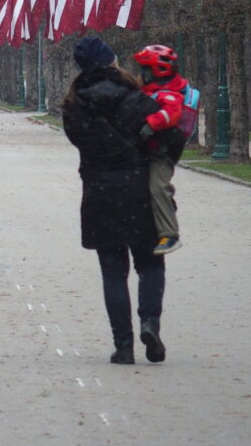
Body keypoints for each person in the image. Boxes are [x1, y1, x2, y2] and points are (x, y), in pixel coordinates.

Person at [61, 36, 167, 365]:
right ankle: (149, 321)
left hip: (99, 191)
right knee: (150, 263)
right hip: (138, 188)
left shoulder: (73, 104)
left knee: (113, 272)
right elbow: (159, 137)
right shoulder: (134, 96)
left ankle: (123, 344)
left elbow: (81, 142)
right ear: (110, 62)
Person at [133, 45, 194, 255]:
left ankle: (169, 234)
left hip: (162, 152)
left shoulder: (168, 93)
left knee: (158, 186)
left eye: (141, 71)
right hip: (153, 149)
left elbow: (171, 114)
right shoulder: (153, 91)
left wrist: (149, 125)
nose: (138, 75)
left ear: (151, 73)